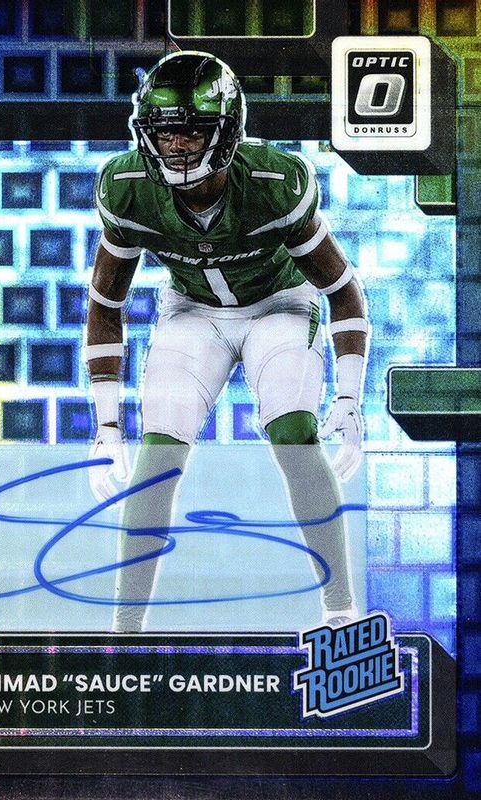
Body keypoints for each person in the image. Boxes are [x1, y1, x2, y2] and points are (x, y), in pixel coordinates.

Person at [85, 51, 369, 633]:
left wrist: (349, 397)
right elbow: (106, 304)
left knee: (295, 433)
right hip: (193, 311)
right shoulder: (127, 188)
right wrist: (106, 425)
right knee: (156, 458)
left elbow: (342, 290)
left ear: (227, 131)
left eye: (192, 131)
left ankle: (340, 612)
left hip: (278, 304)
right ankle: (125, 631)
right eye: (164, 131)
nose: (176, 146)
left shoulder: (272, 182)